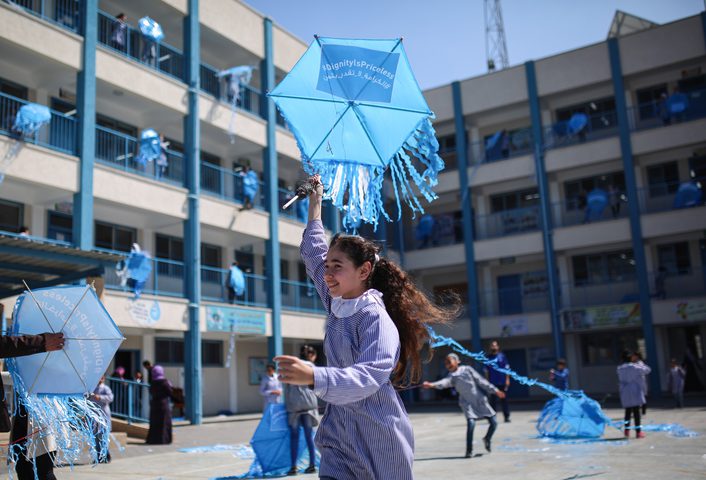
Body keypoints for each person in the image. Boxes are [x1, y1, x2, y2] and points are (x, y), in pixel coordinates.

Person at [274, 175, 456, 480]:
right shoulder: (336, 301)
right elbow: (313, 252)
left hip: (378, 437)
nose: (328, 273)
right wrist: (316, 202)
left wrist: (316, 376)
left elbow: (370, 374)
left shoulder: (375, 317)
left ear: (364, 271)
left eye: (337, 266)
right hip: (339, 436)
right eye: (328, 265)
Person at [2, 331, 65, 480]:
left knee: (45, 471)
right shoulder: (21, 372)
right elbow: (9, 376)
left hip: (44, 427)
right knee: (23, 467)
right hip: (22, 426)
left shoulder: (53, 374)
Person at [423, 353, 505, 458]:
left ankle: (487, 438)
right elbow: (444, 382)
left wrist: (496, 390)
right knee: (471, 424)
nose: (447, 364)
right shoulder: (451, 377)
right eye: (446, 363)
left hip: (479, 400)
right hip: (467, 403)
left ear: (458, 361)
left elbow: (481, 381)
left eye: (449, 361)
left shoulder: (467, 369)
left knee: (494, 423)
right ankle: (469, 450)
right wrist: (432, 385)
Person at [284, 345, 319, 476]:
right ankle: (312, 465)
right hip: (309, 406)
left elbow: (286, 386)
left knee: (294, 437)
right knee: (309, 436)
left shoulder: (293, 365)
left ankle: (293, 467)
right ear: (312, 355)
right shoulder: (312, 367)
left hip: (294, 406)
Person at [617, 350, 651, 439]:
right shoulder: (635, 367)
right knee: (636, 412)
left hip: (625, 390)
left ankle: (627, 431)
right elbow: (648, 370)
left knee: (627, 412)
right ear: (630, 358)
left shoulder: (619, 368)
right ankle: (638, 432)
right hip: (634, 390)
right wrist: (639, 363)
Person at [89, 375, 114, 463]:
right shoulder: (92, 388)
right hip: (94, 416)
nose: (99, 379)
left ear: (103, 379)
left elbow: (110, 398)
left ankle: (105, 456)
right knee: (96, 437)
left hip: (103, 416)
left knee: (103, 436)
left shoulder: (105, 388)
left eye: (101, 378)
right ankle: (98, 456)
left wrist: (100, 397)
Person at [146, 365, 173, 444]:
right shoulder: (164, 382)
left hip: (154, 404)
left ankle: (153, 440)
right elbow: (170, 392)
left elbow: (151, 392)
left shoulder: (153, 383)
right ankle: (164, 440)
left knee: (155, 423)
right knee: (164, 422)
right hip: (163, 404)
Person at [485, 340, 511, 423]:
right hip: (493, 383)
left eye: (495, 345)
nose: (494, 347)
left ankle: (506, 417)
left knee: (504, 400)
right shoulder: (488, 358)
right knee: (492, 402)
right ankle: (493, 418)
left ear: (498, 347)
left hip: (502, 382)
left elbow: (507, 369)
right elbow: (486, 371)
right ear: (490, 347)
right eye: (492, 345)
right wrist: (487, 382)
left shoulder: (502, 356)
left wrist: (507, 379)